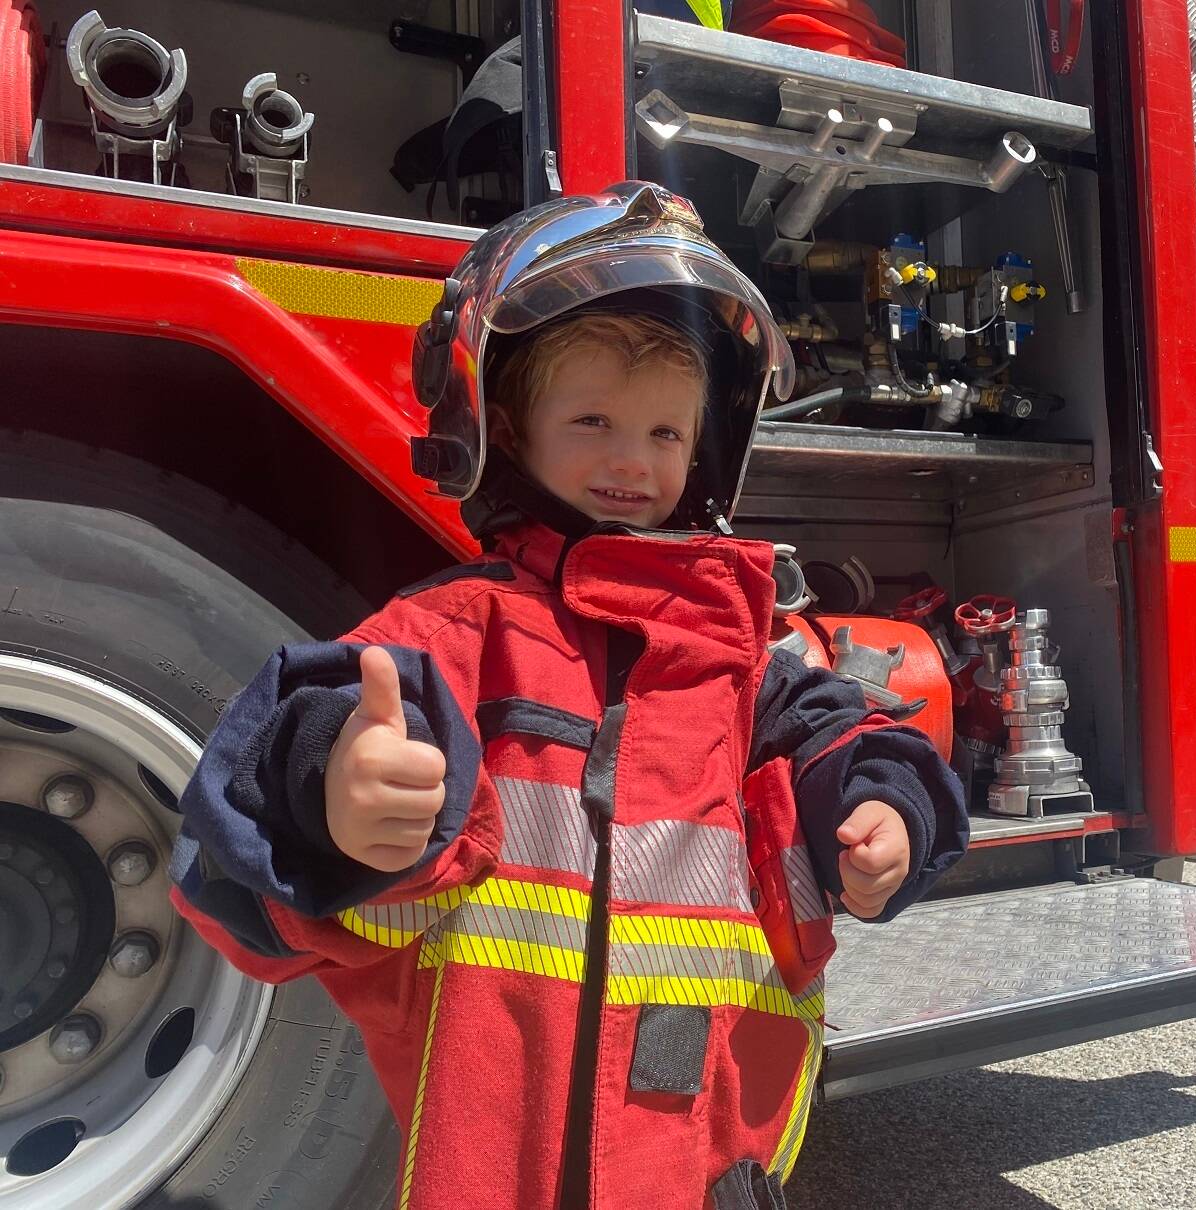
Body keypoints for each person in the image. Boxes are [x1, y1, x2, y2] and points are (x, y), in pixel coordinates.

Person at [169, 182, 968, 1210]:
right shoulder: (452, 636)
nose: (633, 459)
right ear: (505, 426)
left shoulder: (737, 656)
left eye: (667, 435)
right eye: (591, 419)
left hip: (698, 1178)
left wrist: (884, 810)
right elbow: (261, 805)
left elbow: (841, 735)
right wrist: (337, 793)